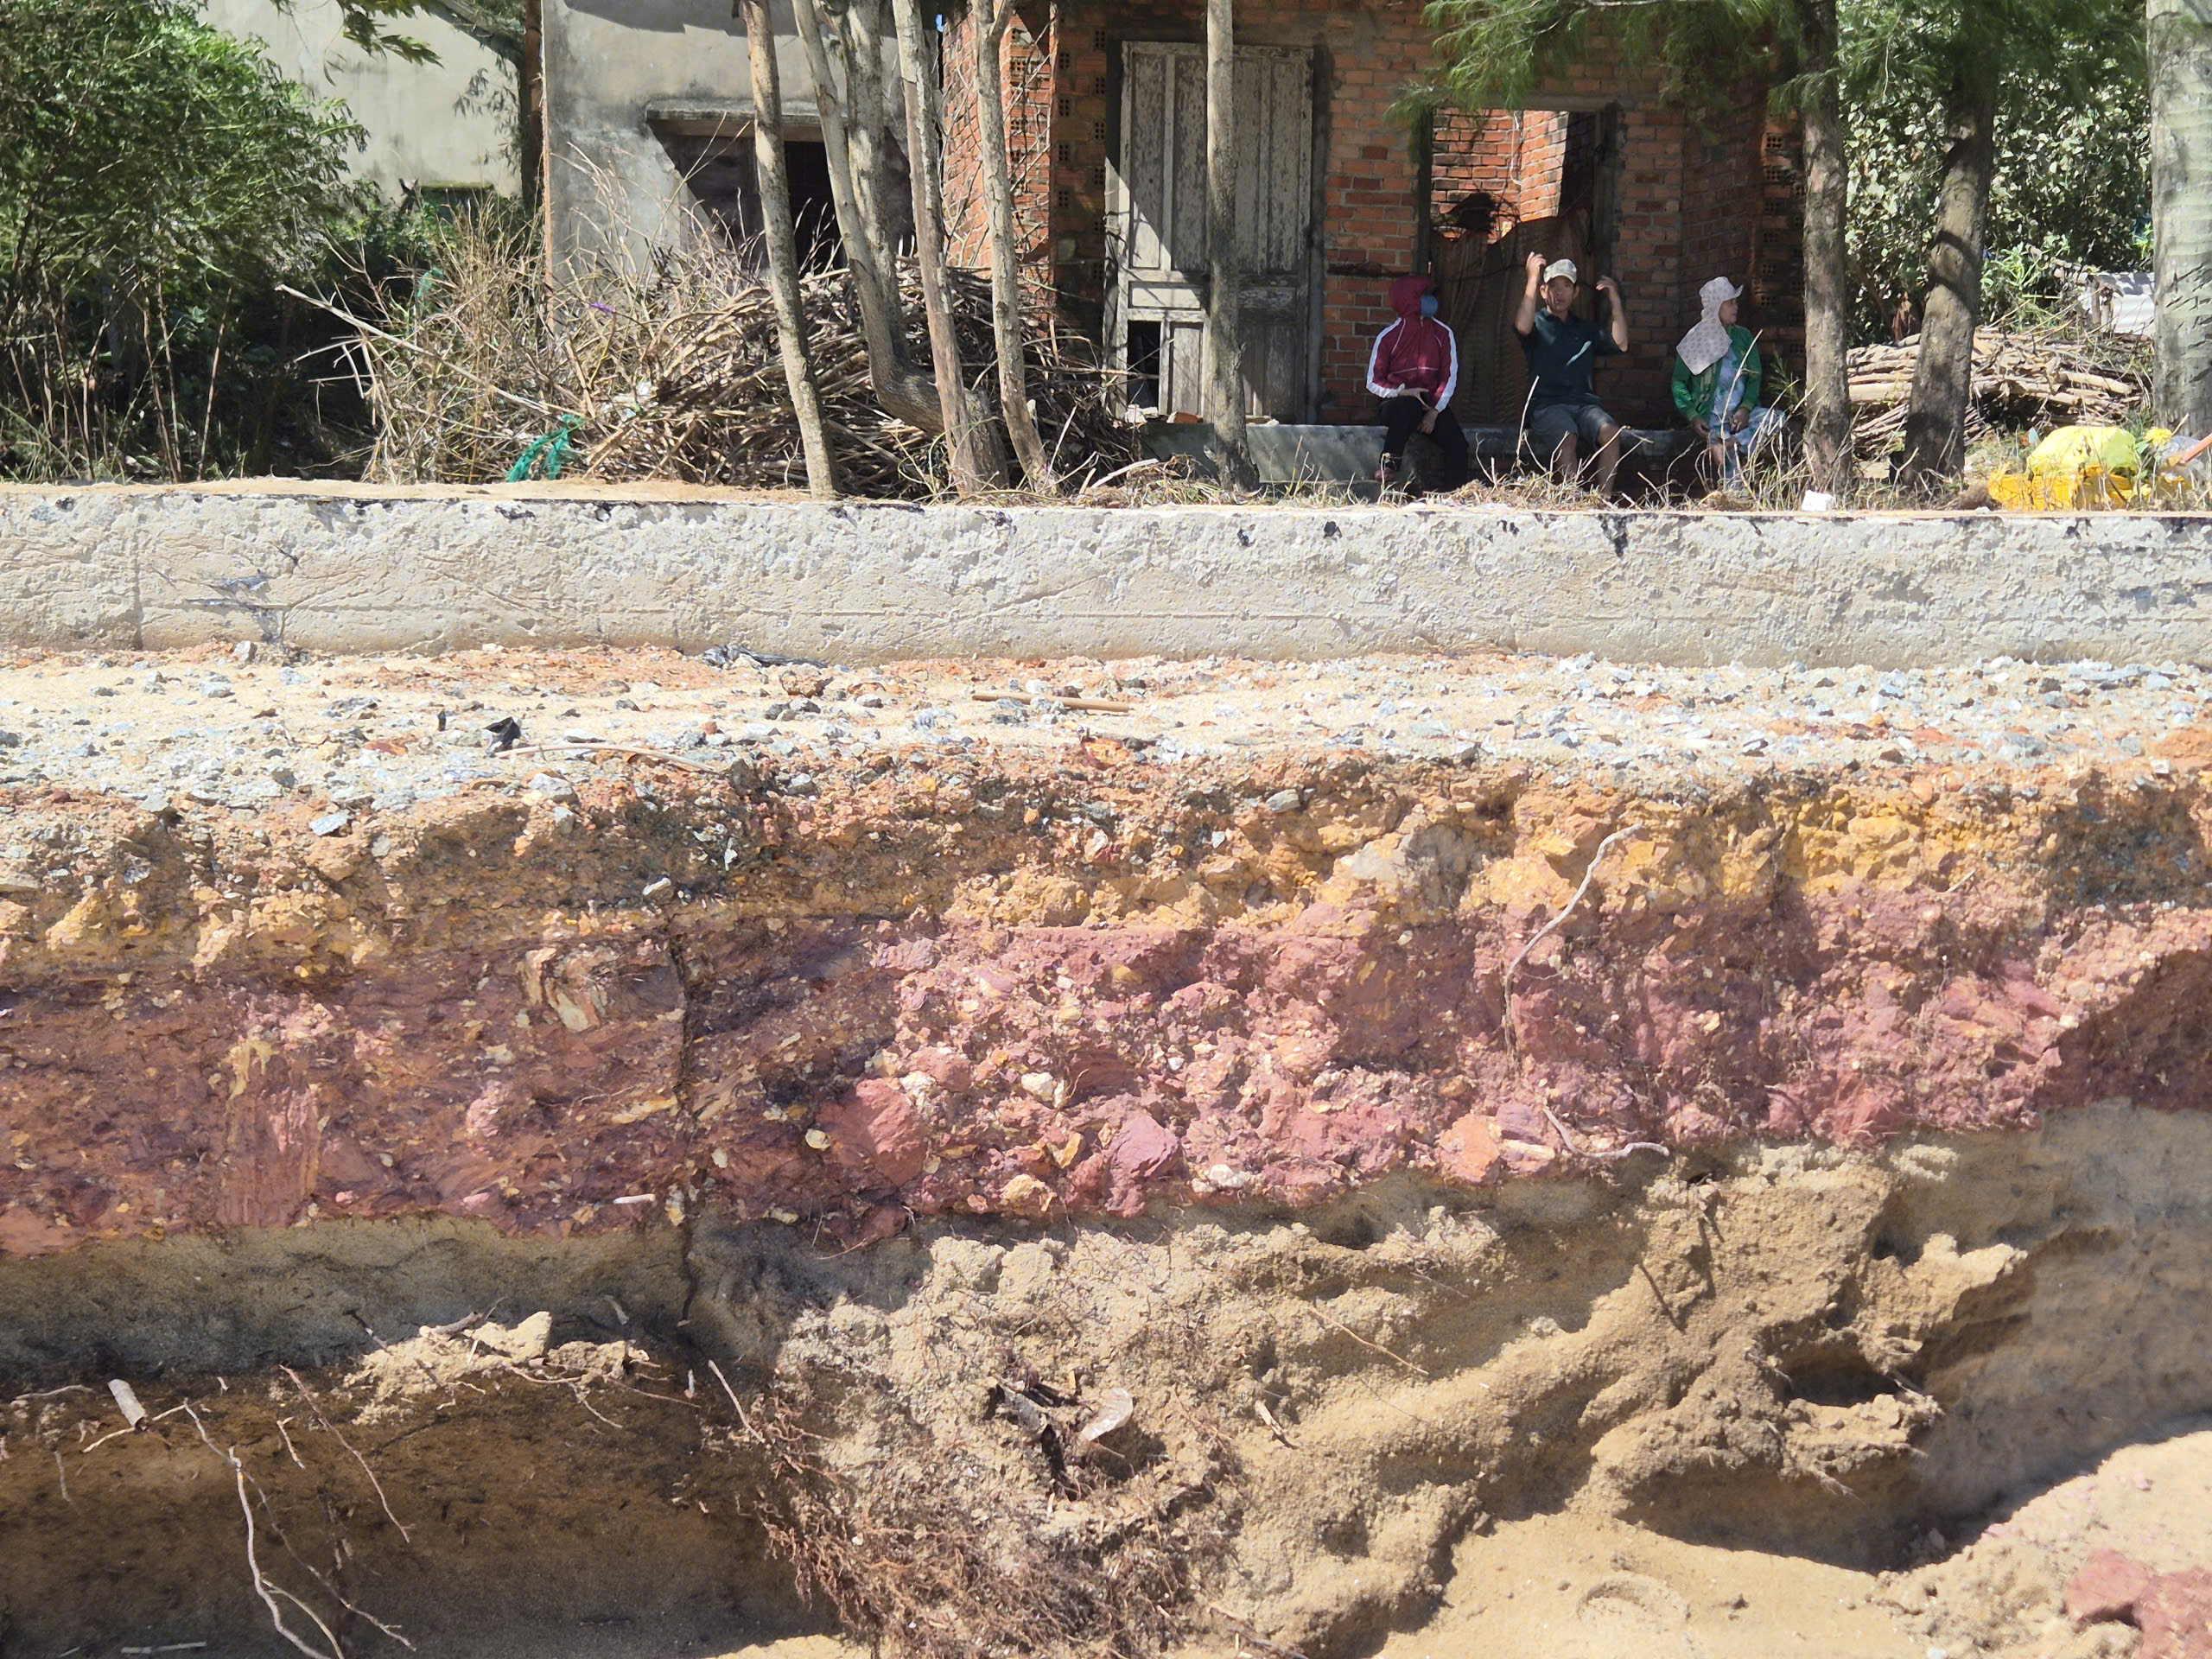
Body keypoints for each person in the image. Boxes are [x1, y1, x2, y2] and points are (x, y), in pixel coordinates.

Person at [1514, 254, 1630, 495]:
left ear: (1575, 293)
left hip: (1584, 405)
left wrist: (1615, 301)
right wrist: (1532, 278)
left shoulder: (1584, 328)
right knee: (1568, 437)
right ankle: (1574, 501)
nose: (1560, 293)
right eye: (1553, 286)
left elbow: (1621, 344)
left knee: (1611, 432)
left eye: (1566, 286)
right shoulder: (1537, 323)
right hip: (1547, 406)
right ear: (1544, 292)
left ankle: (1602, 502)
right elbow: (1522, 326)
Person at [1670, 276, 1784, 486]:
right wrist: (1693, 416)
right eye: (1730, 302)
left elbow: (1754, 378)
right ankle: (1734, 499)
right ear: (1716, 307)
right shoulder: (1695, 340)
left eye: (1735, 301)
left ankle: (1732, 443)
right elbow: (1678, 383)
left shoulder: (1743, 337)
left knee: (1776, 419)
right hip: (1712, 419)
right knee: (1730, 474)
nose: (1735, 307)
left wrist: (1746, 409)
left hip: (1740, 418)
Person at [1367, 274, 1469, 492]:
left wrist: (1433, 412)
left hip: (1431, 404)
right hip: (1398, 402)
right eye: (1421, 296)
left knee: (1458, 444)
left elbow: (1448, 376)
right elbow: (1373, 381)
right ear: (1407, 298)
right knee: (1408, 407)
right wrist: (1404, 392)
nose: (1428, 301)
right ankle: (1388, 466)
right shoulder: (1388, 337)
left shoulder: (1443, 333)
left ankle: (1455, 493)